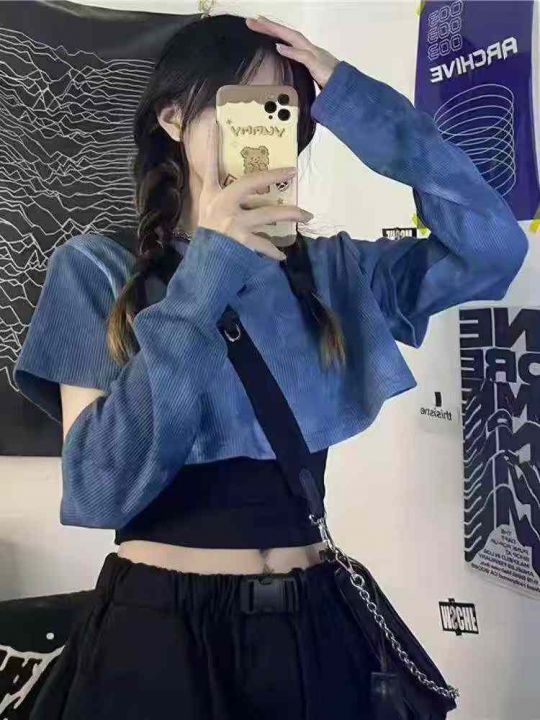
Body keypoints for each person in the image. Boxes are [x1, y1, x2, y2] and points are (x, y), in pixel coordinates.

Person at [14, 12, 528, 720]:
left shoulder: (333, 271)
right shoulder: (96, 270)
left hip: (313, 628)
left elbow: (493, 248)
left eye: (281, 106)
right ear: (173, 116)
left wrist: (354, 99)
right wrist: (210, 270)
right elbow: (98, 486)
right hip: (160, 637)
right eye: (241, 102)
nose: (263, 125)